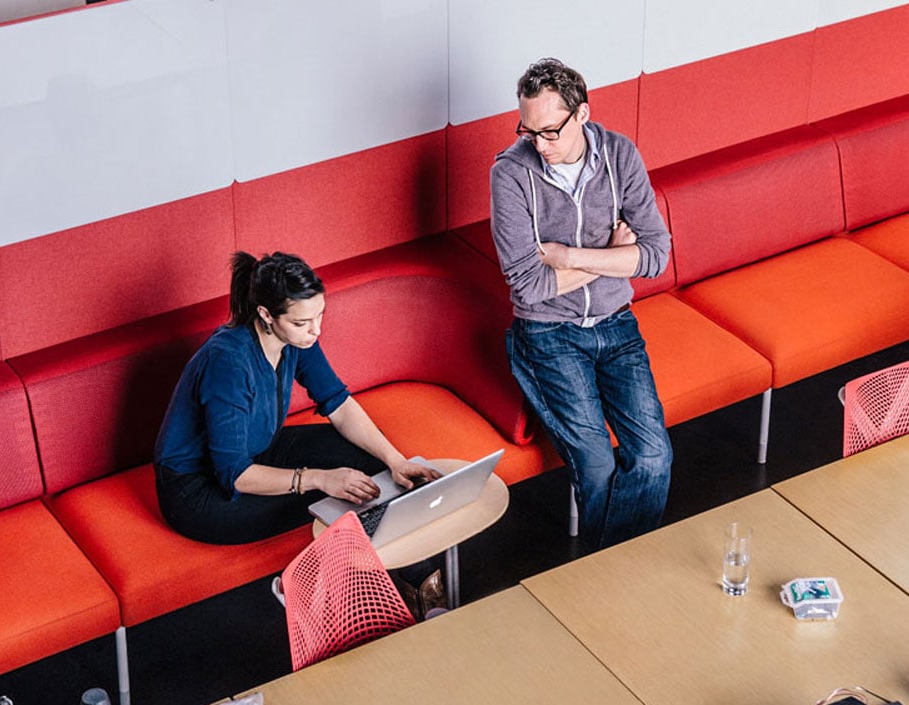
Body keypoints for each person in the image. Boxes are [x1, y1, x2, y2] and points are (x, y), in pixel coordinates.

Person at [153, 252, 443, 613]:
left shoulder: (296, 339)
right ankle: (370, 594)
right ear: (265, 316)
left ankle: (416, 578)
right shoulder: (228, 361)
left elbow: (338, 404)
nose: (316, 330)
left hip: (260, 449)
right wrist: (320, 478)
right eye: (303, 322)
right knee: (337, 497)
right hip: (198, 491)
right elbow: (235, 473)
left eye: (320, 315)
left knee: (373, 463)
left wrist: (395, 460)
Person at [489, 57, 674, 550]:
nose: (540, 145)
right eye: (529, 132)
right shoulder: (510, 174)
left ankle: (614, 576)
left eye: (551, 131)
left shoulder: (619, 155)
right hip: (548, 336)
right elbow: (528, 287)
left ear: (583, 115)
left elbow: (656, 255)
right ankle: (617, 581)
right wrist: (614, 256)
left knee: (654, 456)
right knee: (596, 464)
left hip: (616, 325)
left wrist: (570, 257)